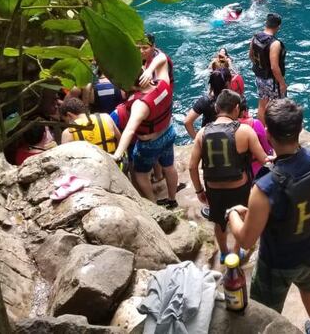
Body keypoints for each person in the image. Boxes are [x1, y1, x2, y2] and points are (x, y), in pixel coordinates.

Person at [227, 99, 310, 334]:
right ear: (299, 129)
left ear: (267, 134)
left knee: (265, 313)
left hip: (277, 263)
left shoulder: (266, 186)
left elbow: (246, 240)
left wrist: (233, 214)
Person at [190, 89, 269, 264]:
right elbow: (264, 159)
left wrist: (199, 190)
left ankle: (224, 253)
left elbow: (192, 166)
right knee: (240, 217)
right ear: (236, 108)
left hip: (213, 189)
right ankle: (235, 252)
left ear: (217, 108)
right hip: (239, 187)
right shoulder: (245, 131)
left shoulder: (202, 133)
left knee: (219, 222)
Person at [111, 70, 178, 207]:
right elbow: (161, 58)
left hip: (150, 143)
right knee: (169, 166)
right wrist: (150, 69)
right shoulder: (163, 83)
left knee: (140, 173)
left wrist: (117, 154)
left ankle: (153, 204)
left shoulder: (140, 104)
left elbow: (130, 130)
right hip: (168, 132)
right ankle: (172, 199)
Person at [250, 13, 287, 123]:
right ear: (278, 27)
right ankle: (275, 133)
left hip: (259, 77)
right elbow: (274, 67)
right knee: (278, 107)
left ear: (266, 23)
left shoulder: (255, 37)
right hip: (272, 81)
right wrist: (282, 83)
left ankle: (261, 130)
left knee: (262, 104)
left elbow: (251, 55)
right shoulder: (275, 44)